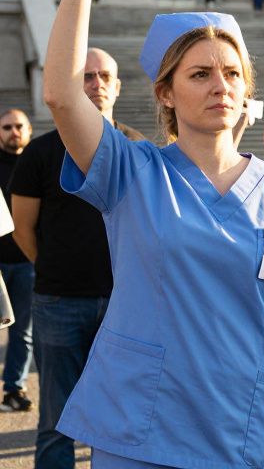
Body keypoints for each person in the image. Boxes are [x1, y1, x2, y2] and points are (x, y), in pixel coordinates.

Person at [40, 0, 264, 468]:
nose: (220, 86)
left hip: (248, 431)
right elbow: (59, 93)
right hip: (145, 429)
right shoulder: (129, 171)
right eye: (200, 74)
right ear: (166, 92)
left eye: (232, 74)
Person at [10, 50, 143, 467]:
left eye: (105, 76)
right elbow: (23, 229)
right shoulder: (39, 153)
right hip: (59, 301)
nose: (97, 83)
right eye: (86, 76)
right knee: (57, 418)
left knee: (124, 413)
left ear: (118, 86)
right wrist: (53, 267)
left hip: (127, 304)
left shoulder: (138, 147)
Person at [0, 109, 32, 413]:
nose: (13, 131)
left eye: (18, 126)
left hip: (27, 262)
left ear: (29, 129)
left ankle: (14, 388)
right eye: (7, 127)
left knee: (23, 331)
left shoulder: (38, 162)